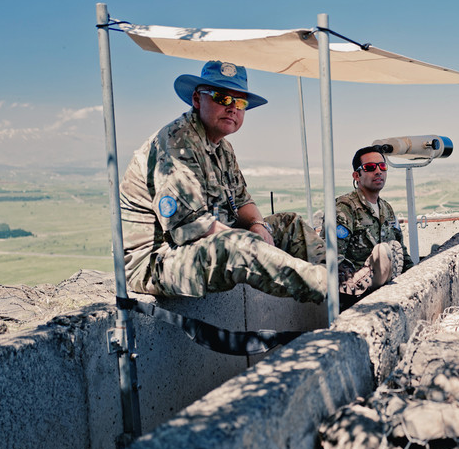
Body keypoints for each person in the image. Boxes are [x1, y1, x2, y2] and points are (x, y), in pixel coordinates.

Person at [119, 60, 326, 303]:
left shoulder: (222, 148)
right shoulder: (176, 144)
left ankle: (344, 275)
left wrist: (258, 225)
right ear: (197, 99)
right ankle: (326, 285)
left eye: (240, 103)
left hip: (200, 246)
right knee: (240, 245)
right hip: (156, 262)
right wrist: (253, 245)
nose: (232, 108)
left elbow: (242, 201)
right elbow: (194, 227)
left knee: (290, 224)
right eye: (222, 98)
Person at [334, 146, 414, 299]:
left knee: (390, 249)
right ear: (357, 176)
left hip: (388, 294)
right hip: (356, 300)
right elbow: (333, 258)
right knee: (382, 252)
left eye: (382, 166)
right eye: (370, 167)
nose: (378, 171)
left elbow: (402, 252)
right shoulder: (344, 208)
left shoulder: (386, 209)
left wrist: (415, 278)